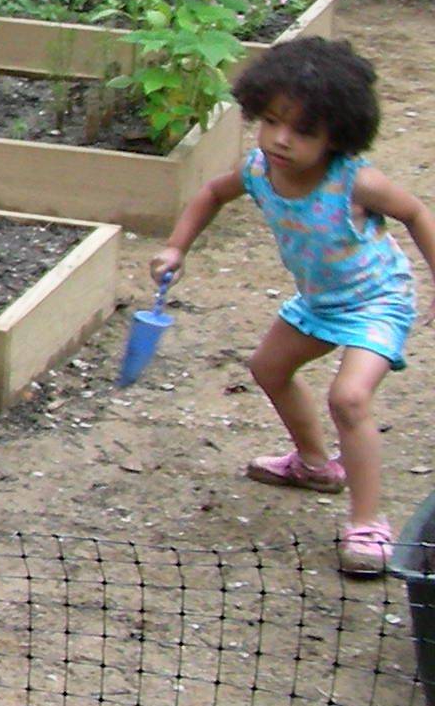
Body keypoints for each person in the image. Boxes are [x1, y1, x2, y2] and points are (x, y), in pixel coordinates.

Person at [154, 38, 435, 578]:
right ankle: (313, 465)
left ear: (338, 136)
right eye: (273, 121)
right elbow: (211, 193)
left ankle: (368, 524)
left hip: (379, 301)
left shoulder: (355, 182)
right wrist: (175, 247)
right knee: (268, 368)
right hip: (320, 301)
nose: (282, 139)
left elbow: (417, 212)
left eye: (304, 131)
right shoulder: (260, 171)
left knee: (349, 399)